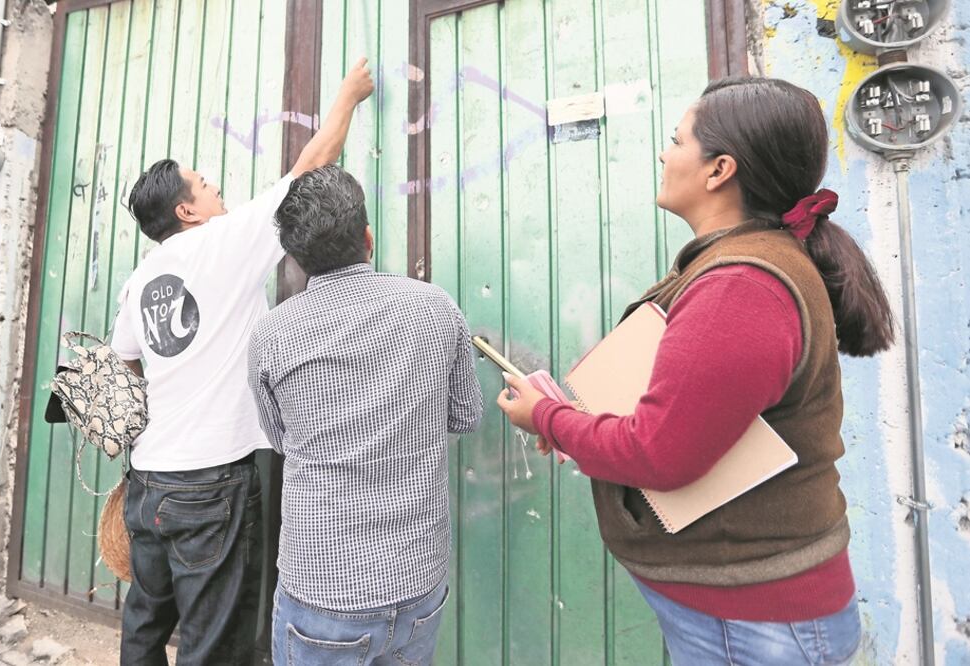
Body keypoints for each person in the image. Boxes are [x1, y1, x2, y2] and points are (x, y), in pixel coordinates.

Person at [497, 76, 894, 665]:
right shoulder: (746, 267)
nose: (663, 153)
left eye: (676, 140)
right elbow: (689, 416)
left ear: (719, 170)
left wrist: (547, 418)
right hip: (746, 613)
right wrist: (582, 423)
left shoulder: (740, 286)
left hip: (754, 624)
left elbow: (661, 455)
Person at [109, 60, 374, 666]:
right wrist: (348, 95)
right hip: (208, 485)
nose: (215, 189)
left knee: (144, 629)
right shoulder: (221, 244)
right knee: (214, 643)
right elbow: (310, 167)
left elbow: (127, 364)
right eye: (204, 184)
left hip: (148, 482)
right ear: (186, 211)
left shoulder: (141, 277)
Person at [247, 164, 483, 666]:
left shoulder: (272, 334)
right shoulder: (435, 308)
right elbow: (466, 416)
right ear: (368, 238)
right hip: (416, 579)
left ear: (296, 259)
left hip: (321, 590)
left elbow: (281, 439)